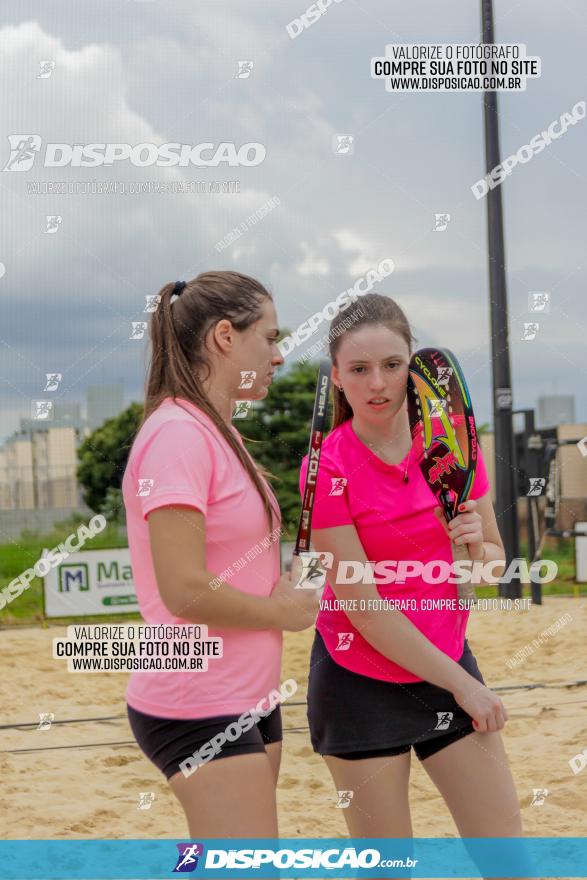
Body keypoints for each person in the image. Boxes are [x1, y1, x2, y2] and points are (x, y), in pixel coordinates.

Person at [299, 292, 525, 841]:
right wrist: (465, 688)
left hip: (445, 662)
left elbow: (494, 568)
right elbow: (365, 608)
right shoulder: (324, 466)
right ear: (338, 376)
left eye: (392, 365)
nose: (377, 382)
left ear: (413, 367)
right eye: (360, 369)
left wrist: (475, 553)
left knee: (507, 858)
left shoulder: (452, 449)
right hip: (358, 680)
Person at [122, 270, 317, 838]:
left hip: (248, 691)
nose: (280, 356)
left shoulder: (218, 432)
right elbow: (183, 589)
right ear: (226, 337)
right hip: (198, 696)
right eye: (272, 337)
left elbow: (247, 569)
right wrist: (283, 613)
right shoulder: (178, 435)